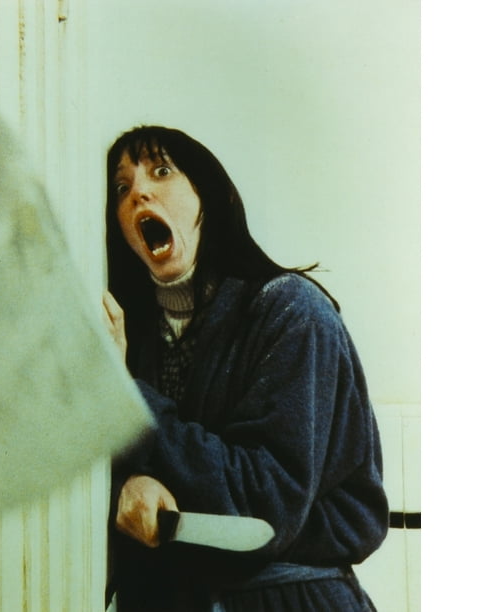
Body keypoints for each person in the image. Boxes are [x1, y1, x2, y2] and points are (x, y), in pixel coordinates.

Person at [103, 125, 388, 611]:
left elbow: (263, 504)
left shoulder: (292, 313)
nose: (139, 192)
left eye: (162, 171)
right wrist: (126, 487)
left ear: (206, 197)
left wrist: (125, 394)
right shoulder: (135, 334)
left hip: (291, 599)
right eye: (121, 187)